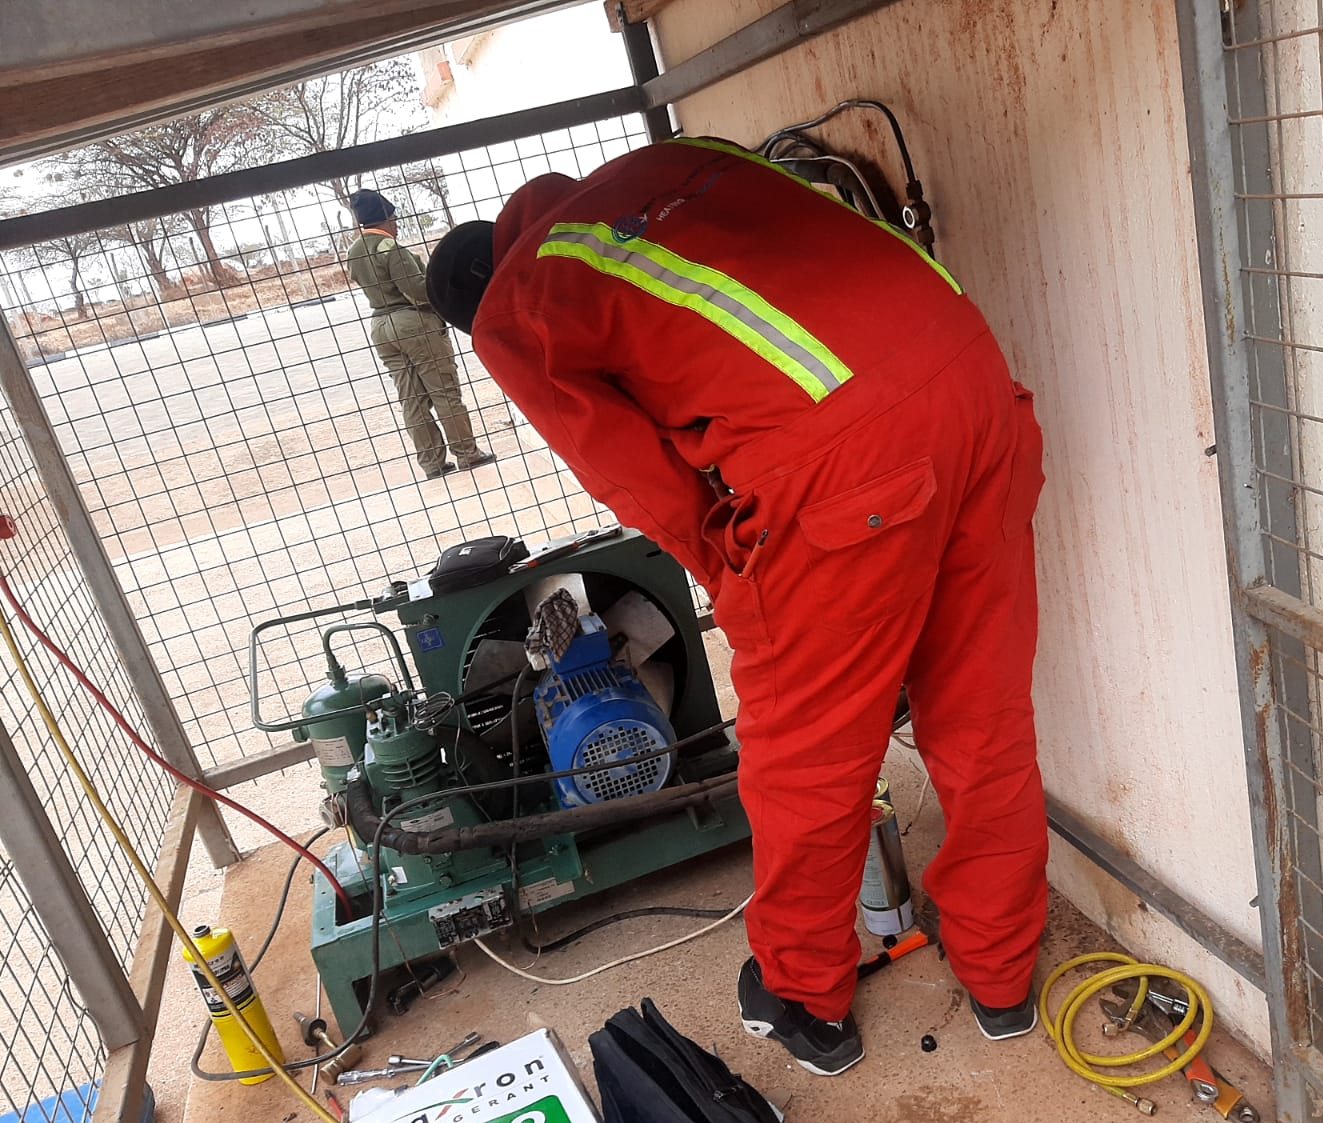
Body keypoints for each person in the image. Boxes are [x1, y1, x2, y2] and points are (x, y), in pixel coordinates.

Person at [425, 137, 1047, 1076]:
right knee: (982, 711)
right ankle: (1003, 978)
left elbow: (638, 482)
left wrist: (734, 575)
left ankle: (805, 1000)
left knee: (806, 753)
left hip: (846, 463)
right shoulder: (669, 164)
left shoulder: (518, 306)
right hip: (977, 384)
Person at [345, 189, 494, 479]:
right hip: (413, 324)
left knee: (411, 399)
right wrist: (442, 294)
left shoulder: (354, 251)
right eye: (394, 219)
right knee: (443, 391)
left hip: (381, 326)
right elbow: (415, 290)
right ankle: (467, 453)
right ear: (386, 219)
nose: (397, 225)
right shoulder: (390, 248)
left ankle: (432, 463)